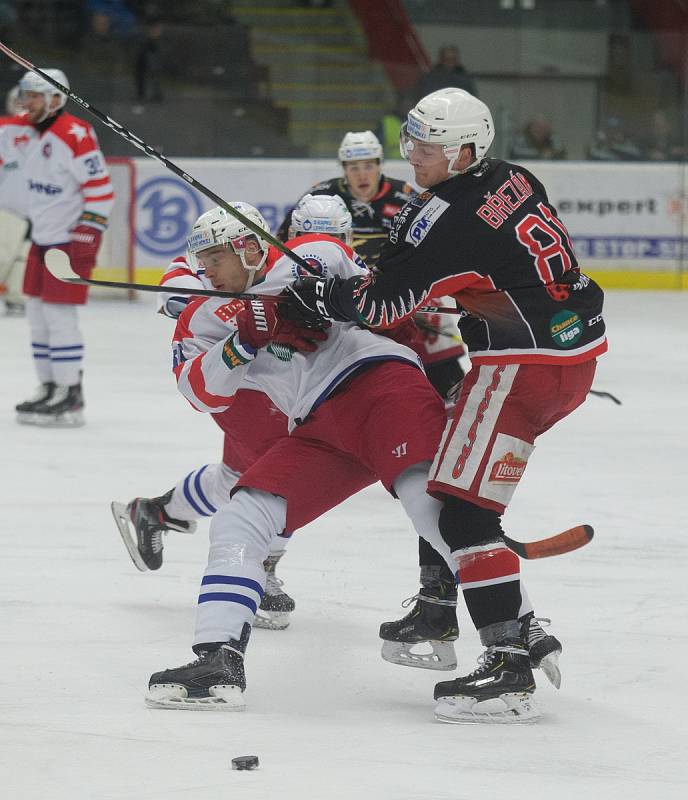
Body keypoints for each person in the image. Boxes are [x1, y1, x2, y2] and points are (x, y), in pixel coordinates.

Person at [285, 87, 608, 723]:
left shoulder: (444, 219)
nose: (412, 156)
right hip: (571, 352)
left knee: (462, 516)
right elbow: (471, 267)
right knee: (444, 481)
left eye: (426, 147)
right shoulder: (513, 177)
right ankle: (441, 607)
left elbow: (379, 307)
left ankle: (509, 656)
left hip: (522, 367)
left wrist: (324, 296)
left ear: (464, 152)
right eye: (410, 141)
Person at [111, 196, 357, 629]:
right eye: (204, 262)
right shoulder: (211, 293)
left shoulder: (303, 264)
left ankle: (158, 511)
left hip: (287, 389)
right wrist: (195, 308)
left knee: (236, 475)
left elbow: (354, 280)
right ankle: (261, 570)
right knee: (278, 478)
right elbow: (179, 281)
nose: (208, 271)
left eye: (215, 259)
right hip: (246, 393)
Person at [1, 68, 113, 427]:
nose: (25, 101)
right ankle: (48, 385)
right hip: (42, 238)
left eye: (33, 96)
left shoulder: (76, 134)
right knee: (36, 315)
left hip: (70, 241)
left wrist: (84, 239)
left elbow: (101, 193)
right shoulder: (19, 129)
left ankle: (70, 392)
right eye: (25, 94)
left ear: (55, 99)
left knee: (59, 317)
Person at [277, 129, 412, 266]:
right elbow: (283, 240)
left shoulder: (405, 196)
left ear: (379, 165)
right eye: (354, 168)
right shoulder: (320, 195)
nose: (362, 175)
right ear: (344, 169)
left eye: (368, 166)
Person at [0, 84, 31, 316]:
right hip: (8, 205)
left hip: (36, 208)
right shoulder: (4, 129)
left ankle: (16, 296)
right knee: (3, 254)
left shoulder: (48, 133)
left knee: (23, 256)